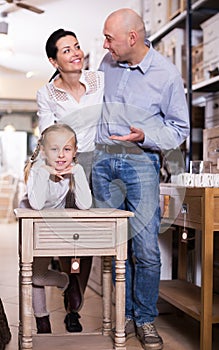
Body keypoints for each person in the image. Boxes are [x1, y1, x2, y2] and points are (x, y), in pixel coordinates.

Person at [92, 8, 190, 350]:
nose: (105, 44)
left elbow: (180, 128)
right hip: (102, 163)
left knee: (145, 247)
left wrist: (144, 135)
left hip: (140, 162)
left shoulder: (166, 74)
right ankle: (127, 314)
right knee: (115, 247)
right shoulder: (107, 63)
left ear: (132, 38)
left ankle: (145, 318)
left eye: (109, 37)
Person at [36, 28, 104, 332]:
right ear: (54, 61)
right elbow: (47, 132)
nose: (75, 53)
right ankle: (69, 283)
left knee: (87, 236)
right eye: (66, 50)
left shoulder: (98, 80)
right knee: (66, 234)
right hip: (63, 162)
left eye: (76, 46)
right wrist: (57, 164)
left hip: (94, 162)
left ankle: (75, 301)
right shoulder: (47, 93)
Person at [20, 124, 92, 333]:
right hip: (31, 225)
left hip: (52, 226)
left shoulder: (74, 170)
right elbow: (37, 204)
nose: (61, 155)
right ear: (43, 150)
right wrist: (44, 172)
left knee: (36, 276)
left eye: (67, 150)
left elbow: (85, 204)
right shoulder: (37, 169)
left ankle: (65, 284)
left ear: (75, 151)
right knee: (34, 276)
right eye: (54, 149)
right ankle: (44, 319)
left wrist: (77, 171)